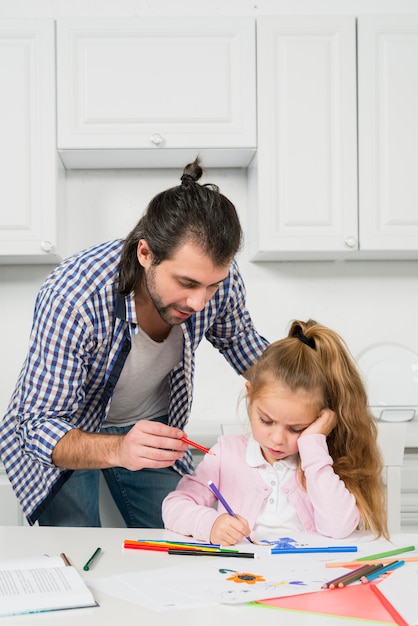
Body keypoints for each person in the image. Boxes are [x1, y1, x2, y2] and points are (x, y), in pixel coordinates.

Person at [0, 157, 268, 528]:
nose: (199, 302)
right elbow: (37, 425)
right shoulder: (74, 297)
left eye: (213, 285)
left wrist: (306, 389)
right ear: (146, 253)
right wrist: (119, 449)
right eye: (187, 283)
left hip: (149, 422)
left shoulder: (214, 276)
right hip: (68, 426)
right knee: (79, 548)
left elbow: (242, 343)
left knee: (178, 534)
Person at [162, 319, 389, 545]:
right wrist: (209, 524)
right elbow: (174, 506)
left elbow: (339, 528)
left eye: (296, 428)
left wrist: (312, 444)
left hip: (308, 576)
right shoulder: (226, 454)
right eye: (266, 420)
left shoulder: (321, 462)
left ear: (321, 419)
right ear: (250, 396)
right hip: (241, 576)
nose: (278, 439)